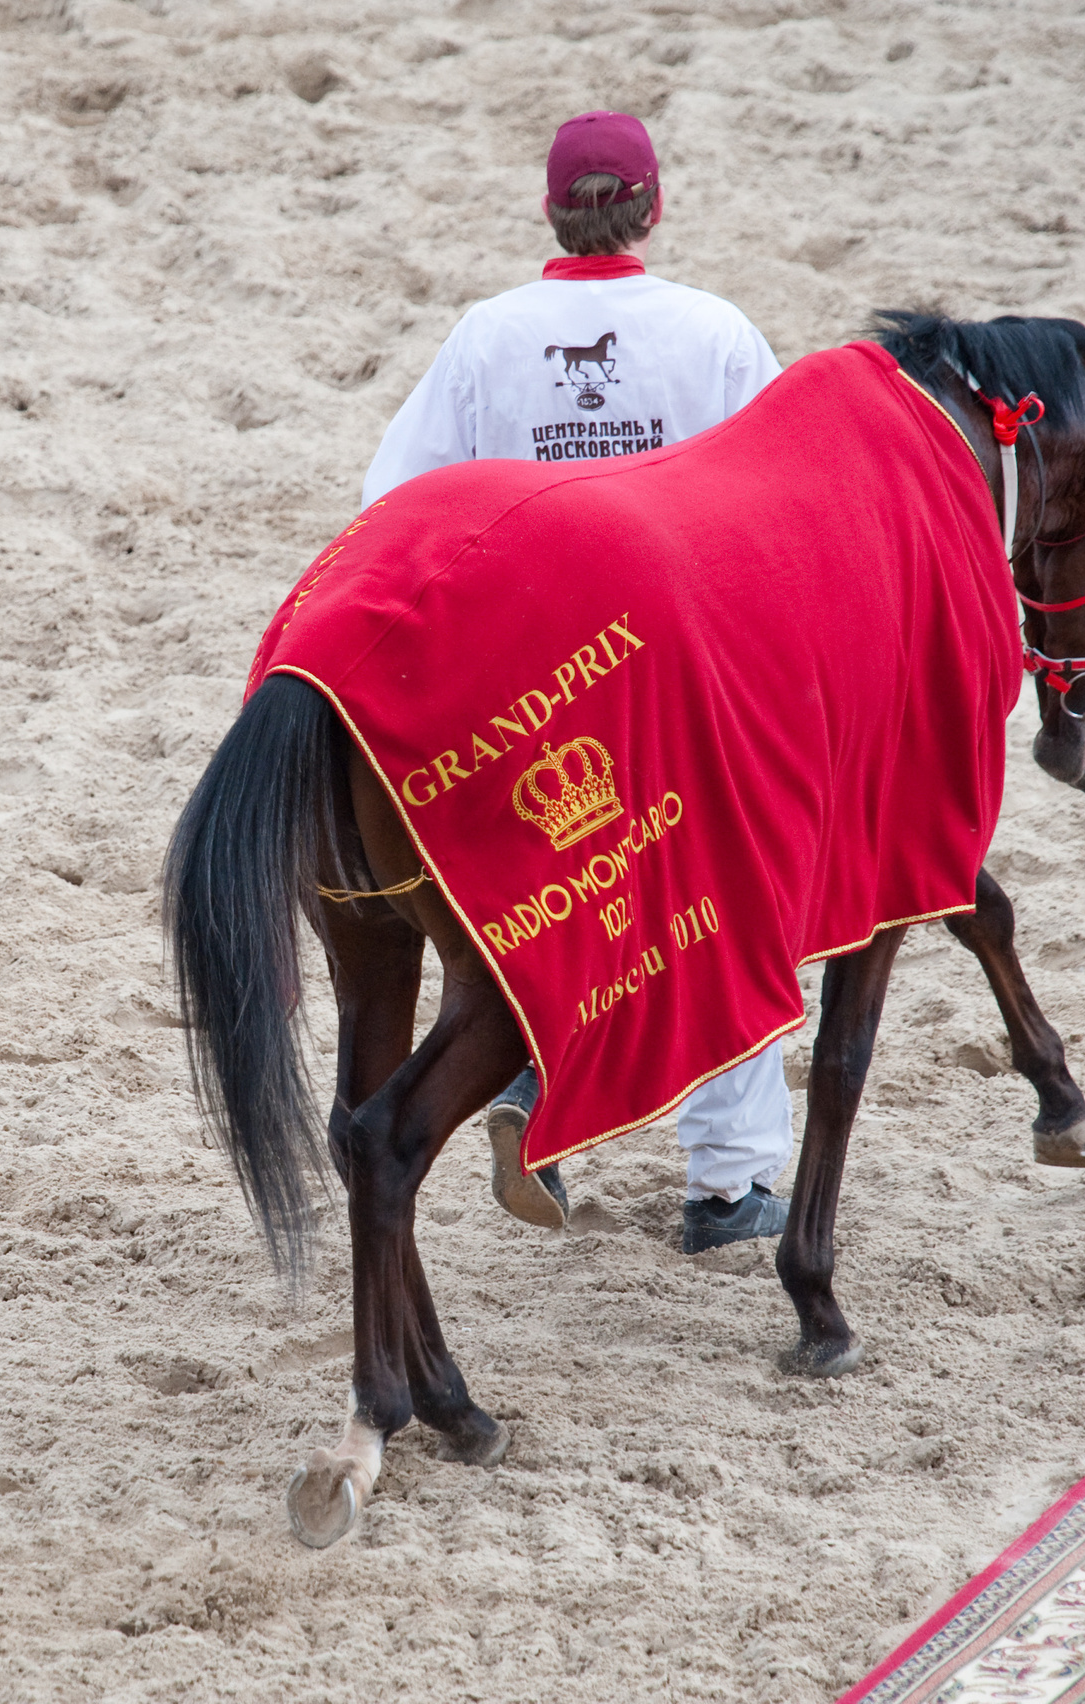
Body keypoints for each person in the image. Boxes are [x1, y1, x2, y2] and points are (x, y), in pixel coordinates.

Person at [358, 110, 794, 1254]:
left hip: (534, 682)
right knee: (725, 901)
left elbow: (390, 508)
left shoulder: (490, 338)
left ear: (551, 210)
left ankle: (531, 1089)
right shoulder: (713, 334)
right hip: (674, 672)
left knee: (549, 897)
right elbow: (782, 513)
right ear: (651, 209)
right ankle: (729, 1186)